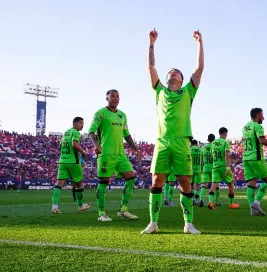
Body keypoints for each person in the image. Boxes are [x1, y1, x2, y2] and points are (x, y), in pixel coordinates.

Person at [141, 28, 204, 235]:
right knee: (156, 180)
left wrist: (199, 44)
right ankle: (153, 222)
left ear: (181, 78)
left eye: (175, 72)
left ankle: (188, 224)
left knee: (185, 182)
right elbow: (150, 66)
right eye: (170, 72)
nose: (172, 73)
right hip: (162, 141)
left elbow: (199, 68)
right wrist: (151, 44)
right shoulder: (158, 91)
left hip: (182, 141)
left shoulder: (188, 92)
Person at [88, 89, 141, 222]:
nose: (115, 99)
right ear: (107, 98)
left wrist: (135, 148)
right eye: (113, 96)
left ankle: (123, 209)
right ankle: (101, 213)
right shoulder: (101, 113)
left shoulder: (122, 115)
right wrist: (95, 144)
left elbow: (127, 134)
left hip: (121, 155)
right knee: (103, 183)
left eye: (117, 97)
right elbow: (91, 131)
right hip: (106, 153)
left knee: (131, 178)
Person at [52, 117, 91, 214]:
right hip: (73, 162)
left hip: (62, 161)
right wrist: (83, 152)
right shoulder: (76, 132)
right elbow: (74, 145)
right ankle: (81, 205)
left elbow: (60, 146)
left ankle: (54, 207)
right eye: (81, 123)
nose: (82, 125)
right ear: (75, 123)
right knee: (79, 184)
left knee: (59, 185)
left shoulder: (66, 132)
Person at [207, 127, 239, 210]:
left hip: (215, 167)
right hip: (223, 166)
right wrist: (228, 167)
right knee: (231, 184)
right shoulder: (225, 142)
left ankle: (210, 202)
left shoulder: (213, 143)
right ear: (225, 133)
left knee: (213, 186)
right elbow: (227, 155)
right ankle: (231, 204)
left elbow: (211, 155)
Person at [198, 134, 215, 207]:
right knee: (215, 185)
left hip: (205, 167)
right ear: (214, 139)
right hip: (214, 168)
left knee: (204, 185)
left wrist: (201, 170)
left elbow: (201, 160)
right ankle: (213, 201)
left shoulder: (203, 148)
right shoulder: (214, 147)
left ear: (208, 139)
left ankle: (201, 199)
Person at [190, 140, 203, 205]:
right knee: (197, 185)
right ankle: (197, 199)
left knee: (191, 184)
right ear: (197, 144)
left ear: (191, 144)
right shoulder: (200, 149)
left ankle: (191, 199)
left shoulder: (190, 149)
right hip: (198, 169)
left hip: (191, 170)